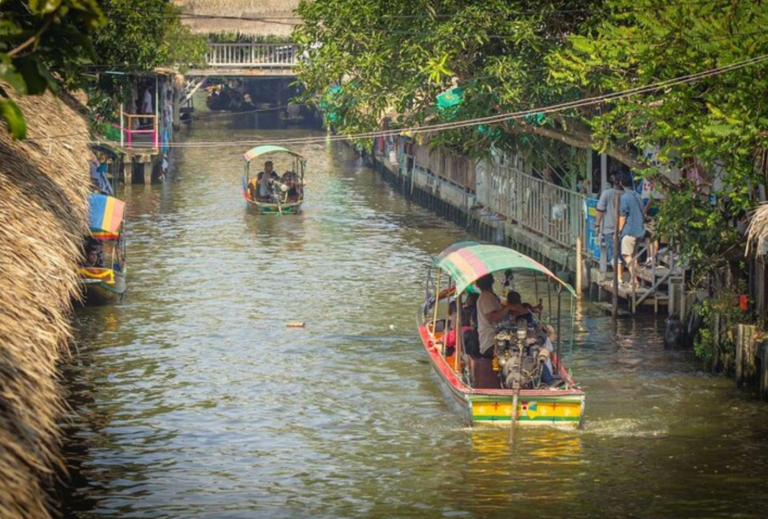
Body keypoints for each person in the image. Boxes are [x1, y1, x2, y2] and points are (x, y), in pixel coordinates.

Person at [475, 274, 513, 359]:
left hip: (494, 339)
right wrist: (508, 308)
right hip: (491, 343)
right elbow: (492, 317)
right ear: (492, 282)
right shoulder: (486, 297)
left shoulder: (490, 296)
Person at [619, 172, 646, 287]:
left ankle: (634, 279)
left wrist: (619, 230)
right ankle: (633, 280)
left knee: (626, 255)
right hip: (640, 230)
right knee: (633, 255)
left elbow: (623, 216)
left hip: (629, 231)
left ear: (621, 184)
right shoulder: (638, 196)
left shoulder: (625, 197)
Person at [595, 172, 623, 267]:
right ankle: (620, 275)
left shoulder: (607, 193)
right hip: (624, 228)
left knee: (613, 255)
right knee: (622, 253)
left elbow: (600, 210)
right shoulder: (627, 194)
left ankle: (618, 278)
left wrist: (597, 225)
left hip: (610, 228)